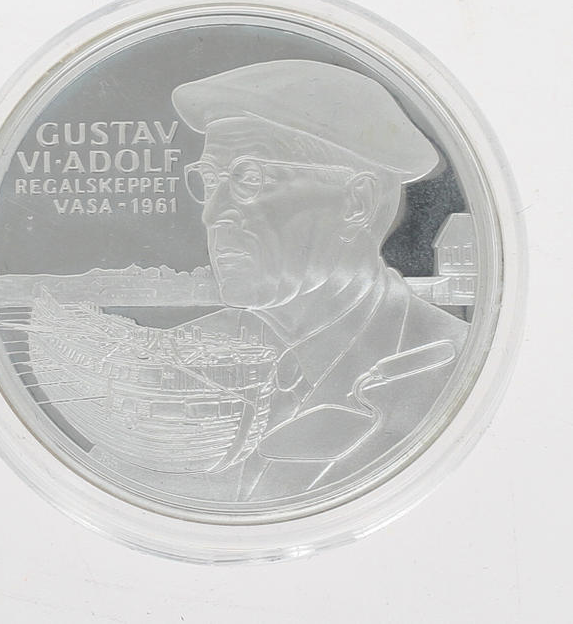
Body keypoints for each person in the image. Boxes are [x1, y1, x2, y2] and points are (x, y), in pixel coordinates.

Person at [163, 59, 468, 500]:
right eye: (211, 181)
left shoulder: (455, 367)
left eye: (250, 179)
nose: (213, 213)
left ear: (357, 202)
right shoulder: (176, 363)